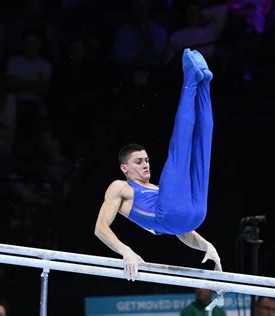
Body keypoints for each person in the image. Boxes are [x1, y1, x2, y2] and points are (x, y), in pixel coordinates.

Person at [94, 48, 222, 281]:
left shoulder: (161, 191)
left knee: (202, 146)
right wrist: (126, 251)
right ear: (125, 168)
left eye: (147, 160)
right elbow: (100, 227)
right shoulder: (121, 188)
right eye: (138, 162)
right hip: (172, 215)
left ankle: (204, 82)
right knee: (181, 146)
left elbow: (181, 231)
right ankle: (191, 77)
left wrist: (206, 246)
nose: (145, 165)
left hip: (192, 215)